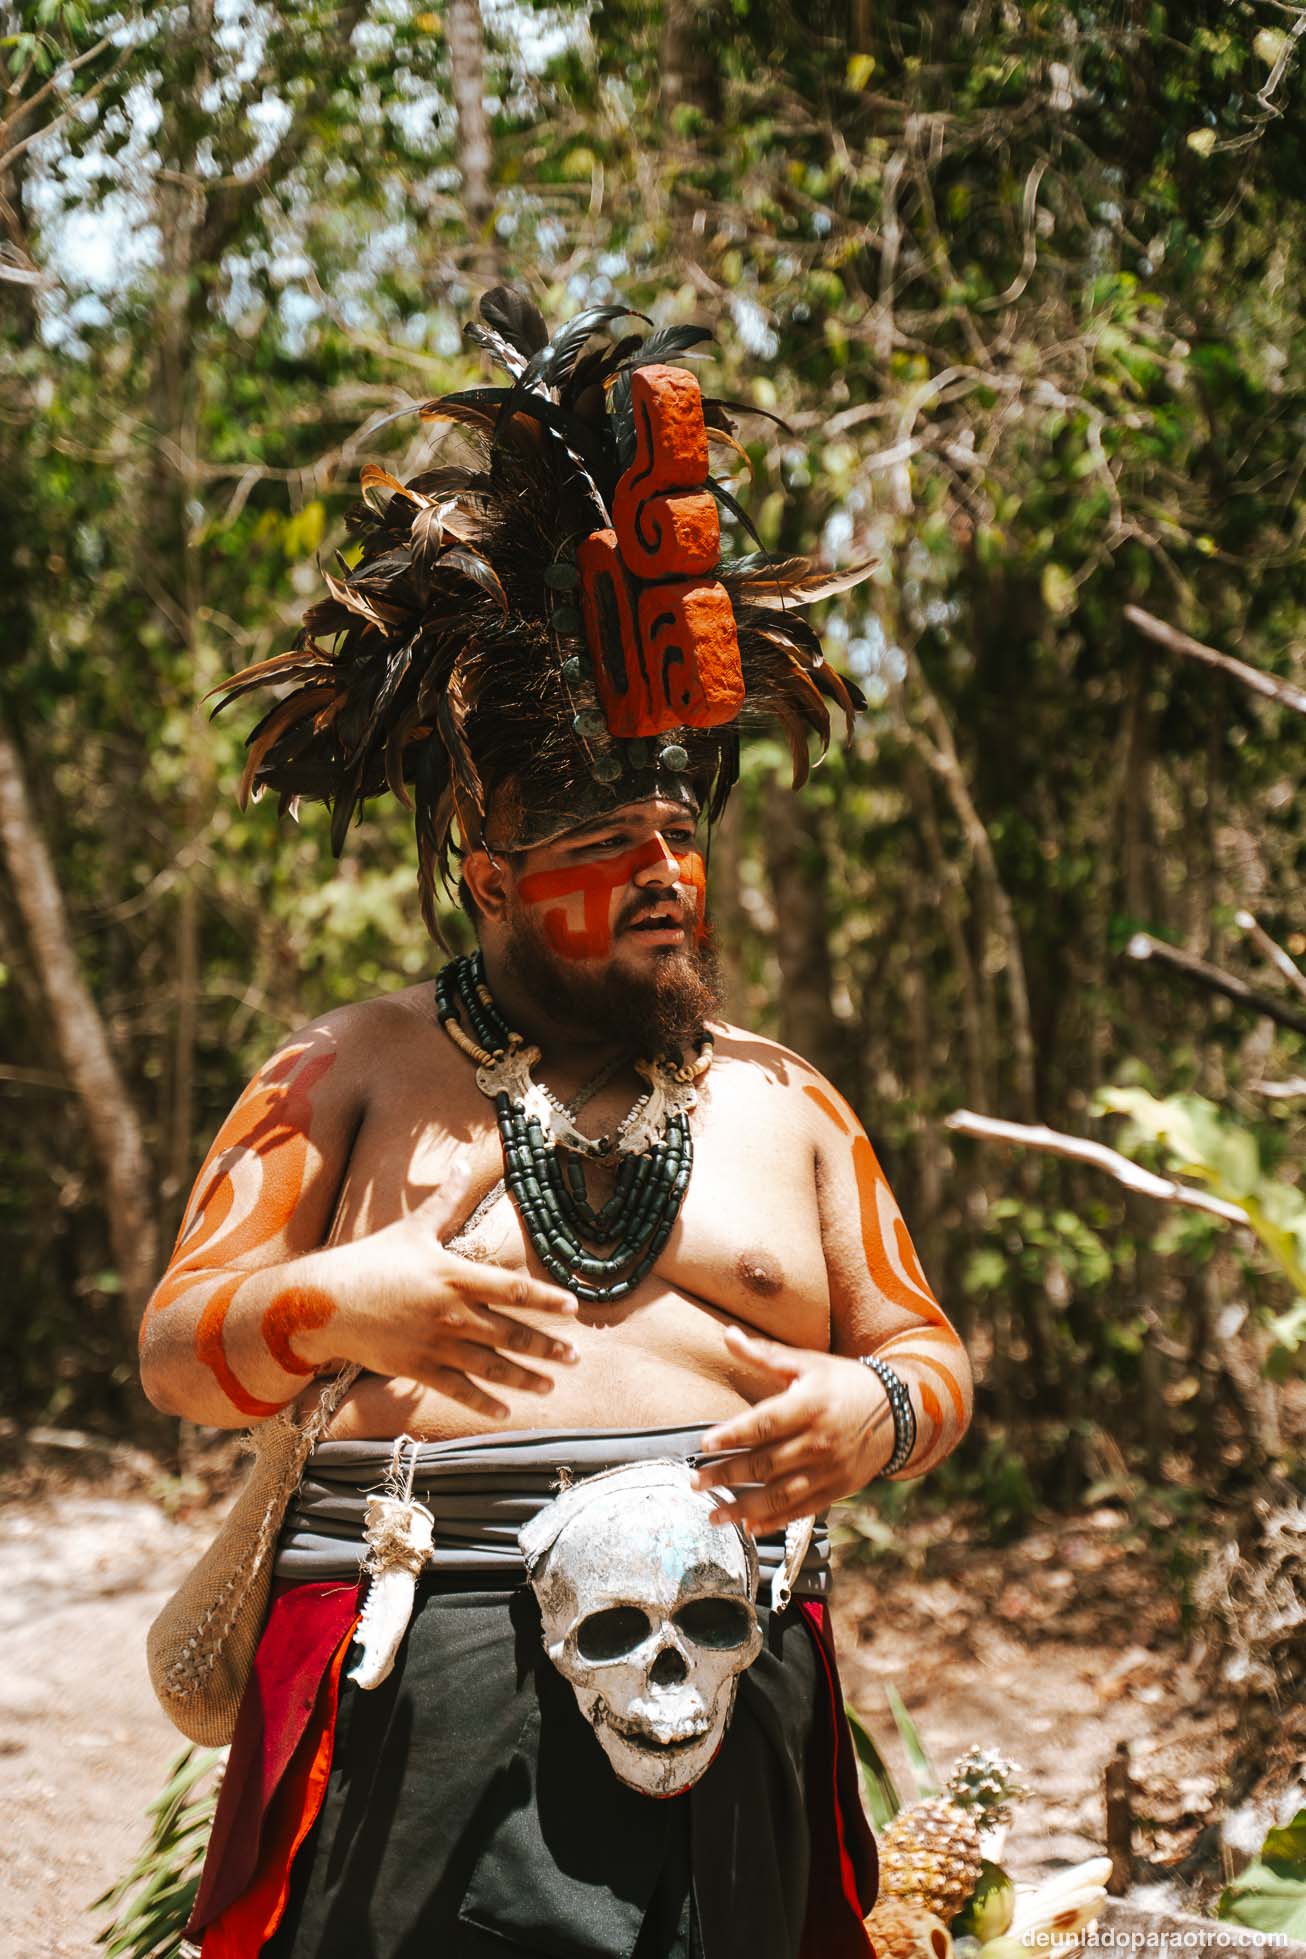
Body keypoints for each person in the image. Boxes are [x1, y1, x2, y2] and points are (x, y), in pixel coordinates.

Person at [139, 286, 973, 1959]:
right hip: (412, 1645)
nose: (667, 877)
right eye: (610, 850)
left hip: (731, 1644)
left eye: (680, 835)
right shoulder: (347, 1070)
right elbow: (177, 1351)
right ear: (494, 880)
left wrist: (868, 1412)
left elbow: (926, 1352)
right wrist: (339, 1303)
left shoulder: (784, 1099)